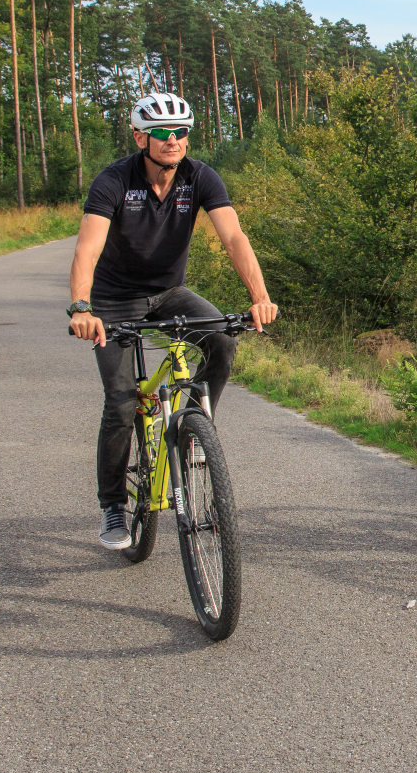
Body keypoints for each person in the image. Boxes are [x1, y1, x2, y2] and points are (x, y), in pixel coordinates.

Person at [67, 92, 279, 549]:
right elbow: (87, 248)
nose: (173, 140)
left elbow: (234, 237)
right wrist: (82, 307)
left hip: (169, 292)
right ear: (141, 136)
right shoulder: (114, 181)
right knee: (122, 401)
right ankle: (112, 506)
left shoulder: (199, 177)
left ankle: (201, 425)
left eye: (181, 132)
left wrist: (260, 298)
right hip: (114, 299)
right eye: (162, 133)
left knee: (222, 337)